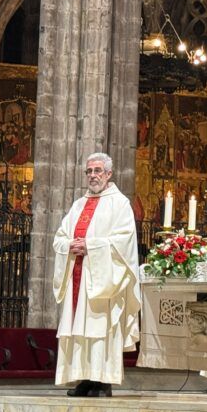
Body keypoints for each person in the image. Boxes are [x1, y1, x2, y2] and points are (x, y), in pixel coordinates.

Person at [53, 152, 141, 397]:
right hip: (78, 277)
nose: (93, 175)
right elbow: (60, 237)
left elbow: (124, 241)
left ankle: (102, 381)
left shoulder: (119, 204)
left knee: (100, 327)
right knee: (79, 329)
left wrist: (90, 246)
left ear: (109, 174)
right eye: (89, 171)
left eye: (98, 170)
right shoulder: (78, 205)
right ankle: (84, 379)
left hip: (103, 280)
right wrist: (70, 245)